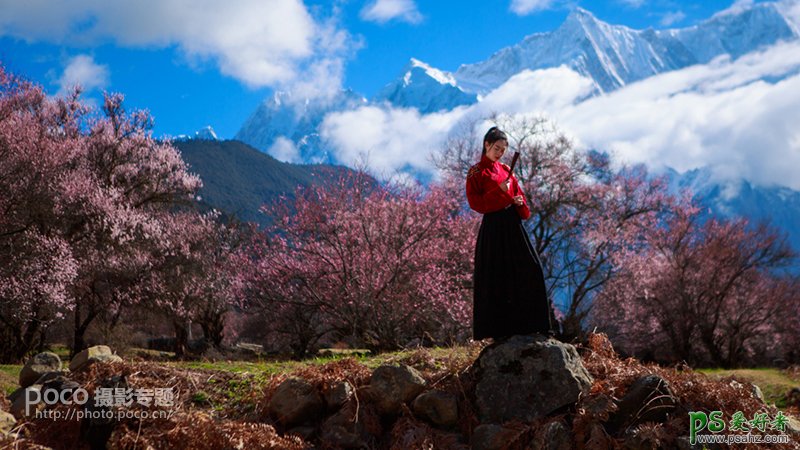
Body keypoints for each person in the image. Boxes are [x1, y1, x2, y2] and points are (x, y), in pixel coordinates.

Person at [465, 126, 555, 341]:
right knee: (497, 276)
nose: (500, 153)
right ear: (486, 144)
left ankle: (533, 325)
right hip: (493, 228)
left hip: (513, 226)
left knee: (531, 268)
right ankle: (500, 330)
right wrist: (501, 193)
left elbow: (523, 206)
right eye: (497, 148)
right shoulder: (475, 172)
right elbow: (476, 204)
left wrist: (518, 201)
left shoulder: (506, 169)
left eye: (503, 149)